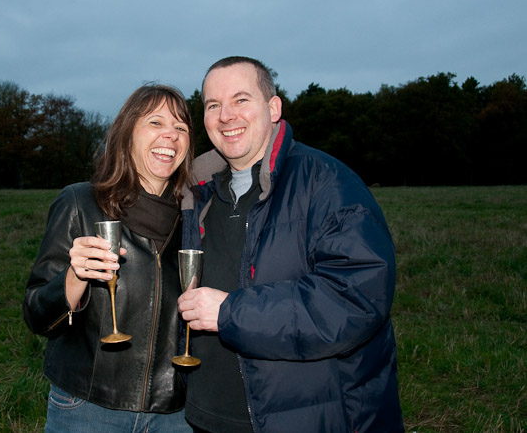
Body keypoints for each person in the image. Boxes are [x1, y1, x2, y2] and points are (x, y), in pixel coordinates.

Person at [177, 57, 404, 432]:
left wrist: (233, 312)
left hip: (303, 416)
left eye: (241, 100)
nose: (226, 115)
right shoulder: (196, 194)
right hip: (205, 416)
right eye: (213, 105)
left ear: (273, 108)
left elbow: (358, 297)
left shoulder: (327, 182)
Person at [23, 83, 195, 433]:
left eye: (181, 127)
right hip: (88, 407)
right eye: (156, 123)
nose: (171, 136)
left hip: (175, 414)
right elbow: (37, 315)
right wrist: (74, 278)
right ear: (127, 133)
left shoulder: (195, 220)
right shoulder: (80, 203)